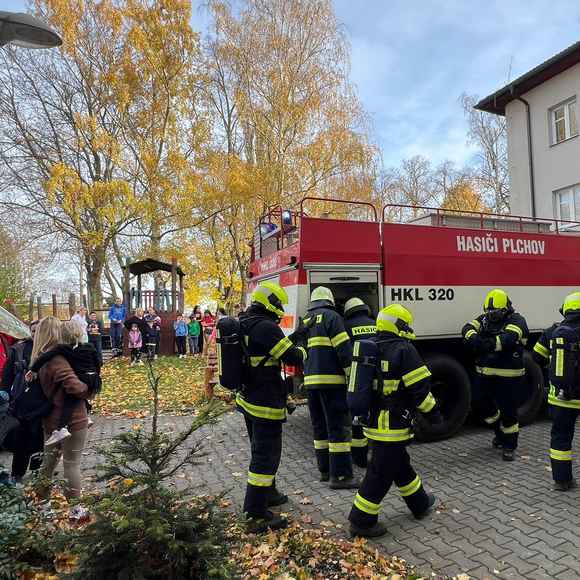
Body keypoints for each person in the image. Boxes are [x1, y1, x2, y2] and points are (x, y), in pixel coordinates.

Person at [347, 304, 440, 538]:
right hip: (393, 425)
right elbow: (420, 390)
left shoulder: (372, 346)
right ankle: (361, 521)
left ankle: (419, 502)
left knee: (400, 464)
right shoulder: (404, 349)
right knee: (379, 474)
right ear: (399, 325)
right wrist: (434, 414)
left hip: (374, 421)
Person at [235, 282, 306, 533]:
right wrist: (303, 347)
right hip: (265, 402)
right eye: (279, 304)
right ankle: (255, 514)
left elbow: (272, 349)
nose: (280, 309)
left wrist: (295, 336)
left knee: (261, 451)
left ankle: (269, 493)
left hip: (248, 398)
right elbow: (292, 356)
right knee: (265, 457)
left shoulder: (246, 321)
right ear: (270, 303)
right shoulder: (266, 327)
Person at [462, 289, 529, 461]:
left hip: (509, 377)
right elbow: (467, 328)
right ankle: (499, 432)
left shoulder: (517, 321)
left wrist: (483, 344)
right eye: (489, 312)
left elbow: (506, 340)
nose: (491, 316)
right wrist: (473, 337)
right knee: (480, 404)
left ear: (505, 309)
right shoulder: (485, 319)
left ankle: (509, 446)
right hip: (485, 374)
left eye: (495, 312)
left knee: (509, 412)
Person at [302, 286, 357, 489]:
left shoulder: (306, 320)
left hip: (311, 383)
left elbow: (301, 352)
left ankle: (325, 471)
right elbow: (344, 350)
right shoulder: (333, 317)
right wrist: (352, 377)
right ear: (330, 300)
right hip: (332, 383)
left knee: (320, 428)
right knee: (337, 428)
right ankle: (341, 476)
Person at [32, 317, 90, 499]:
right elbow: (74, 386)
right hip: (72, 420)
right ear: (55, 333)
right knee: (72, 465)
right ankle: (75, 509)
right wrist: (89, 388)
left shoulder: (40, 357)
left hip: (51, 420)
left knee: (48, 464)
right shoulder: (57, 359)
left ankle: (40, 503)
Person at [29, 321, 100, 447]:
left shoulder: (59, 353)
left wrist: (33, 369)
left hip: (67, 419)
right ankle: (74, 421)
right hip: (91, 379)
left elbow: (75, 387)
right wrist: (94, 376)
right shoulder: (88, 347)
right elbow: (98, 361)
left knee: (70, 398)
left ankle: (62, 428)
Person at [536, 292, 580, 491]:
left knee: (561, 438)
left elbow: (536, 357)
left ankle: (562, 481)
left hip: (561, 397)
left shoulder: (553, 331)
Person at [1, 321, 42, 482]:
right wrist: (5, 392)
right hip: (21, 399)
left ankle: (37, 471)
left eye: (39, 330)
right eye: (33, 330)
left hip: (42, 402)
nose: (35, 333)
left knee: (39, 437)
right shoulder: (19, 349)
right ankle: (17, 473)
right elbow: (7, 374)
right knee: (21, 437)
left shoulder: (49, 349)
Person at [343, 297, 377, 468]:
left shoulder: (346, 326)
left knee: (357, 417)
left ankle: (360, 458)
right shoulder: (375, 323)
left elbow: (344, 352)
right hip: (376, 377)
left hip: (357, 378)